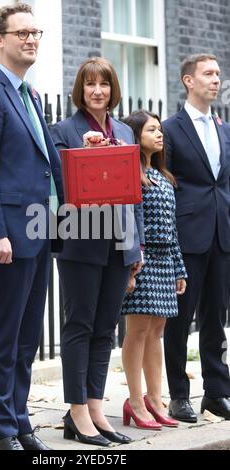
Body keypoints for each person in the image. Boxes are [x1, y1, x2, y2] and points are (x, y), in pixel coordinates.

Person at [0, 4, 64, 451]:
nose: (30, 39)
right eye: (20, 33)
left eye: (35, 32)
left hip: (40, 231)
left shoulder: (31, 95)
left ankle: (21, 420)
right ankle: (1, 431)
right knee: (3, 337)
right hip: (10, 236)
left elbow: (42, 163)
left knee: (27, 338)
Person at [50, 57, 144, 446]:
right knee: (79, 326)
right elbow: (61, 188)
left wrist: (136, 244)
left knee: (105, 330)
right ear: (80, 89)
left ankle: (94, 408)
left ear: (112, 89)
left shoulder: (124, 130)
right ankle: (76, 413)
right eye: (89, 84)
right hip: (80, 242)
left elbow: (134, 195)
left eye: (103, 84)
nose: (97, 91)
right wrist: (91, 154)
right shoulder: (63, 131)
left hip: (119, 244)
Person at [163, 53, 230, 422]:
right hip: (187, 236)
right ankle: (178, 395)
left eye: (218, 74)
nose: (215, 80)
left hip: (221, 234)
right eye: (208, 73)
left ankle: (217, 393)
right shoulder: (171, 129)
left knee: (216, 317)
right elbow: (167, 181)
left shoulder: (224, 128)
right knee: (179, 319)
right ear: (189, 80)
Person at [121, 110, 187, 430]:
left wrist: (179, 269)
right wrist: (131, 267)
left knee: (157, 330)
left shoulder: (163, 177)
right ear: (136, 135)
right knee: (138, 331)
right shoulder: (130, 174)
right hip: (142, 261)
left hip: (164, 262)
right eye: (152, 129)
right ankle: (134, 401)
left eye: (160, 129)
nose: (160, 134)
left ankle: (155, 398)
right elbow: (128, 223)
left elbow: (172, 229)